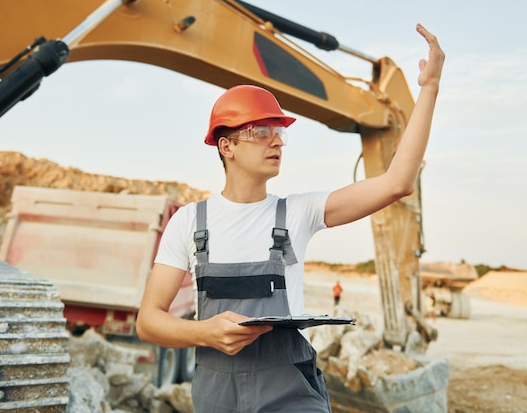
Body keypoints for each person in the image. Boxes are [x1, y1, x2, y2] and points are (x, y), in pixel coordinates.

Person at [136, 23, 444, 413]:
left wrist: (429, 88)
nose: (277, 141)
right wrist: (205, 333)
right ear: (226, 145)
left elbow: (398, 182)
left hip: (290, 393)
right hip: (217, 396)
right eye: (261, 132)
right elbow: (148, 322)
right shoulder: (189, 223)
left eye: (279, 132)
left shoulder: (300, 213)